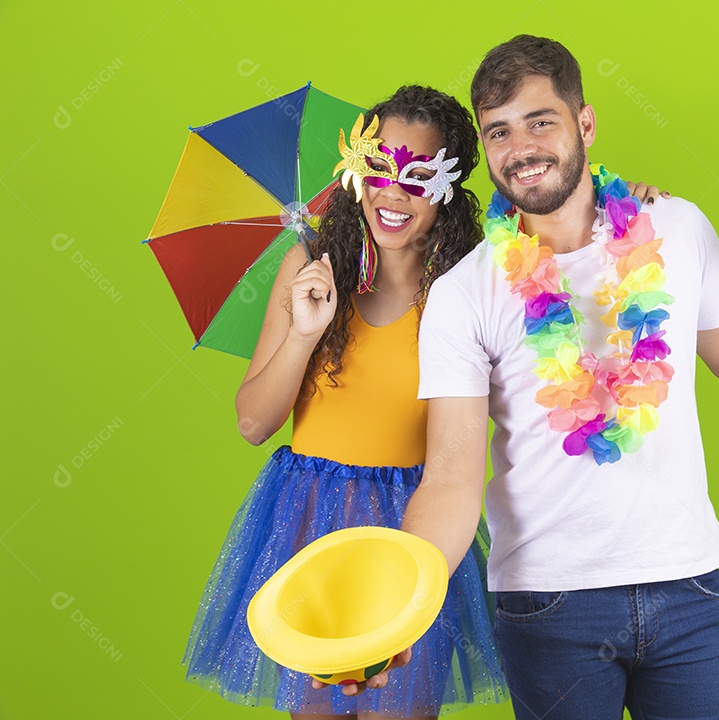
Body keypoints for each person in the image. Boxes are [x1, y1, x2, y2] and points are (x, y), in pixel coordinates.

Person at [392, 36, 719, 720]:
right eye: (500, 132)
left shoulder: (676, 227)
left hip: (689, 586)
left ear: (585, 124)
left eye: (541, 120)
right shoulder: (464, 291)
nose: (522, 147)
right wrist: (401, 605)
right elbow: (451, 474)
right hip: (547, 607)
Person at [181, 85, 509, 720]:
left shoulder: (467, 294)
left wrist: (631, 204)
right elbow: (253, 423)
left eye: (418, 176)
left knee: (398, 708)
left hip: (416, 526)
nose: (394, 192)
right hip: (308, 522)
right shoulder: (309, 268)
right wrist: (305, 331)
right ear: (355, 171)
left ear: (448, 191)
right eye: (380, 168)